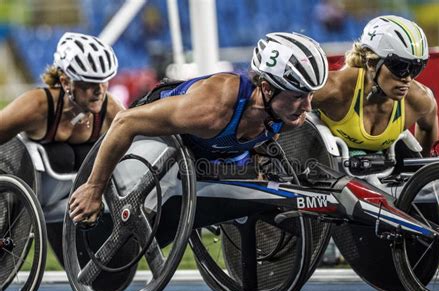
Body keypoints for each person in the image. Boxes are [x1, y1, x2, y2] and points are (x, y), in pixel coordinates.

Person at [68, 32, 329, 224]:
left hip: (204, 153)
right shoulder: (213, 107)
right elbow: (125, 122)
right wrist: (94, 187)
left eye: (310, 95)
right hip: (156, 140)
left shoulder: (288, 114)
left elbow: (259, 146)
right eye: (298, 96)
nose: (307, 105)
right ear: (268, 88)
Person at [0, 32, 124, 222]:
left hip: (73, 206)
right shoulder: (37, 105)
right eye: (89, 83)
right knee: (61, 156)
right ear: (66, 82)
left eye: (104, 80)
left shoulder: (109, 108)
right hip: (25, 199)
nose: (99, 91)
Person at [312, 15, 438, 157]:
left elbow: (428, 130)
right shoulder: (334, 89)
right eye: (400, 67)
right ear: (371, 63)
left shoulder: (421, 100)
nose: (407, 78)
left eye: (416, 68)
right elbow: (285, 104)